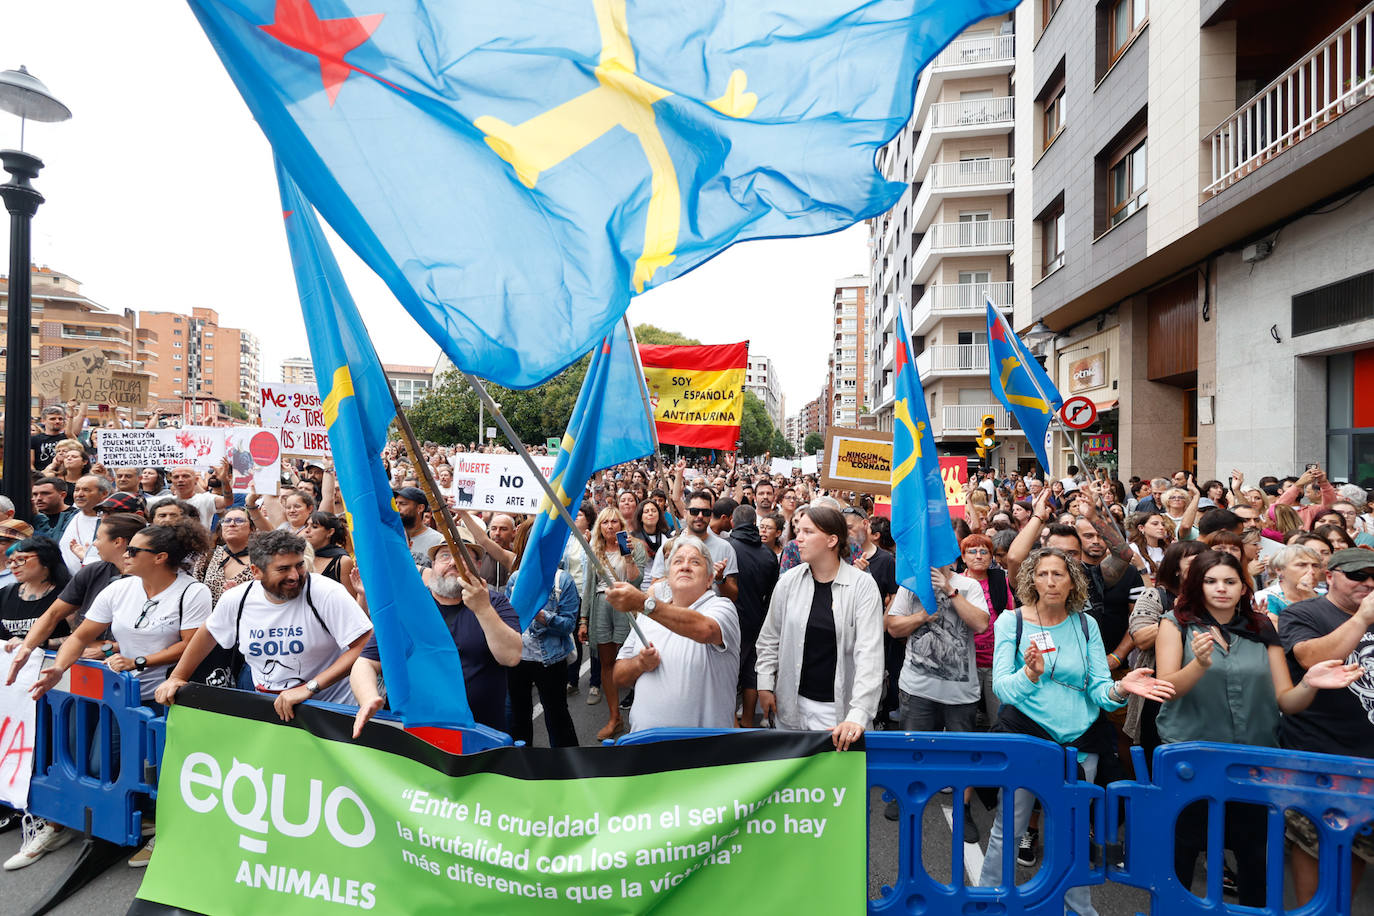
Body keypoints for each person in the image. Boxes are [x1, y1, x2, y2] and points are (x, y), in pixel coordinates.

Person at [1154, 551, 1359, 906]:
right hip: (1194, 760)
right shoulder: (1176, 623)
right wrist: (1200, 664)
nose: (1221, 589)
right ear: (1196, 584)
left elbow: (1286, 701)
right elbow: (1166, 689)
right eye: (1211, 581)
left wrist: (1310, 682)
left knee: (1253, 855)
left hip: (1254, 760)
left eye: (1230, 581)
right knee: (1183, 851)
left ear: (1243, 586)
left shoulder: (1261, 627)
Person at [977, 547, 1174, 914]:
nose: (1050, 582)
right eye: (1043, 574)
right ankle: (988, 903)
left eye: (1059, 574)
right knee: (1009, 830)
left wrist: (1121, 688)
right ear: (1030, 580)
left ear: (1073, 581)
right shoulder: (1012, 622)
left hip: (1081, 748)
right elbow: (1003, 689)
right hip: (1028, 742)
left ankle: (1079, 911)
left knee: (1069, 838)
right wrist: (1029, 674)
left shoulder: (1086, 625)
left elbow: (1099, 690)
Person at [24, 522, 213, 869]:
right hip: (122, 698)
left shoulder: (192, 592)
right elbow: (80, 637)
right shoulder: (119, 589)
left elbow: (190, 644)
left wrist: (140, 661)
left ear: (159, 557)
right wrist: (59, 668)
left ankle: (166, 832)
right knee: (100, 765)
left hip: (166, 696)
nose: (124, 555)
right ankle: (136, 822)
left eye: (133, 551)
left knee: (164, 770)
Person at [156, 530, 373, 715]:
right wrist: (177, 677)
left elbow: (364, 644)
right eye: (283, 569)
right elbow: (209, 632)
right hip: (272, 709)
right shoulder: (237, 599)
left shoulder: (325, 592)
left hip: (330, 710)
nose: (295, 576)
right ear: (256, 572)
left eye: (299, 566)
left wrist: (310, 688)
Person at [1275, 548, 1374, 906]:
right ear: (1329, 575)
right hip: (1320, 754)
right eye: (1357, 575)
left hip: (1368, 757)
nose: (1368, 583)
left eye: (1373, 576)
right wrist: (1362, 618)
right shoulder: (1304, 612)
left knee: (1360, 845)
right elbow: (1310, 657)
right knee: (1313, 843)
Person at [350, 538, 521, 735]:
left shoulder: (496, 603)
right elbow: (365, 663)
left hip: (478, 734)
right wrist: (368, 698)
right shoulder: (409, 606)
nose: (452, 562)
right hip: (416, 731)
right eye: (445, 556)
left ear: (478, 566)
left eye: (462, 556)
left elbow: (511, 656)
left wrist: (483, 609)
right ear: (433, 565)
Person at [755, 506, 883, 750]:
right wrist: (765, 682)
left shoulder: (862, 586)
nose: (798, 539)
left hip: (838, 714)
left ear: (832, 540)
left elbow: (870, 655)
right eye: (797, 531)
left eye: (807, 532)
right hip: (790, 706)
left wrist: (858, 714)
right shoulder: (789, 582)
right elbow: (770, 637)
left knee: (835, 786)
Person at [885, 563, 990, 840]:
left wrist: (949, 590)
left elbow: (980, 623)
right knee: (911, 746)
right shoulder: (910, 584)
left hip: (961, 693)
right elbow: (893, 627)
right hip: (917, 688)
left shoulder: (969, 585)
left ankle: (963, 807)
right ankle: (903, 794)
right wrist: (921, 615)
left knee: (962, 755)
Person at [608, 535, 741, 731]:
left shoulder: (722, 607)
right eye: (678, 561)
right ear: (668, 577)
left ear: (710, 579)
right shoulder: (647, 616)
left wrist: (643, 603)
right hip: (646, 746)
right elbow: (618, 677)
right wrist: (639, 664)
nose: (685, 566)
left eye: (695, 562)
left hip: (705, 751)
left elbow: (705, 630)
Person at [1123, 539, 1208, 760]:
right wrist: (1177, 615)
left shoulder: (1217, 600)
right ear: (1176, 569)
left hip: (1205, 692)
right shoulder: (1156, 596)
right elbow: (1140, 639)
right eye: (1193, 564)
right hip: (1159, 693)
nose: (1201, 569)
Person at [503, 522, 579, 747]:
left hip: (551, 660)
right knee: (517, 717)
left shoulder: (562, 580)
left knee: (557, 716)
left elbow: (568, 625)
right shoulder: (516, 579)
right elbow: (509, 621)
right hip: (518, 659)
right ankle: (522, 766)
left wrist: (542, 616)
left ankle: (567, 768)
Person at [578, 506, 647, 740]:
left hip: (626, 607)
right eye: (605, 522)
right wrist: (583, 619)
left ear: (621, 525)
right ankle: (614, 717)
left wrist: (627, 554)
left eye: (614, 522)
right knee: (606, 663)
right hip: (601, 606)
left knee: (632, 661)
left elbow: (636, 581)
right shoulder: (594, 549)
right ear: (599, 526)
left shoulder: (635, 546)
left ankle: (643, 716)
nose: (609, 526)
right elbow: (588, 587)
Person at [724, 504, 779, 727]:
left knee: (728, 673)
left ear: (732, 523)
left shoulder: (726, 547)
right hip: (757, 619)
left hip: (730, 621)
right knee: (751, 673)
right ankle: (747, 721)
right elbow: (772, 592)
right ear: (754, 525)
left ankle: (730, 723)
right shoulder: (768, 554)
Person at [647, 490, 739, 601]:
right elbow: (654, 588)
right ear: (685, 514)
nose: (700, 516)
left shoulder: (725, 548)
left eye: (705, 512)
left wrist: (720, 579)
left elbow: (733, 596)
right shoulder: (669, 547)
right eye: (694, 511)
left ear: (710, 515)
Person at [0, 537, 71, 647]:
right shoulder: (5, 593)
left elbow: (84, 638)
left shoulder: (67, 594)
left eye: (20, 559)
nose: (13, 566)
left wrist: (39, 643)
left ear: (45, 559)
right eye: (10, 562)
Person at [56, 475, 112, 574]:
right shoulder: (67, 517)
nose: (80, 494)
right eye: (77, 490)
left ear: (104, 494)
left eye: (86, 490)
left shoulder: (110, 523)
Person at [1254, 544, 1323, 622]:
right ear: (1279, 570)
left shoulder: (1326, 594)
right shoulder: (1266, 598)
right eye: (1301, 565)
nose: (1311, 571)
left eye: (1315, 566)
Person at [200, 506, 256, 604]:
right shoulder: (208, 556)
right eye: (227, 521)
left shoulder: (260, 559)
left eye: (239, 520)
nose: (232, 524)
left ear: (251, 529)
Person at [304, 511, 357, 598]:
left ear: (330, 532)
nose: (307, 530)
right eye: (306, 526)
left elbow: (351, 599)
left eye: (314, 527)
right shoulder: (301, 556)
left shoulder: (342, 561)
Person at [31, 477, 76, 542]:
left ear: (62, 495)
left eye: (45, 493)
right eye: (35, 494)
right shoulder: (31, 516)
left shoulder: (75, 517)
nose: (38, 498)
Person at [30, 405, 71, 471]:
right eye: (52, 419)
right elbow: (30, 464)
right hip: (42, 476)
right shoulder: (34, 439)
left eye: (60, 419)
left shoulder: (67, 437)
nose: (57, 421)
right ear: (43, 421)